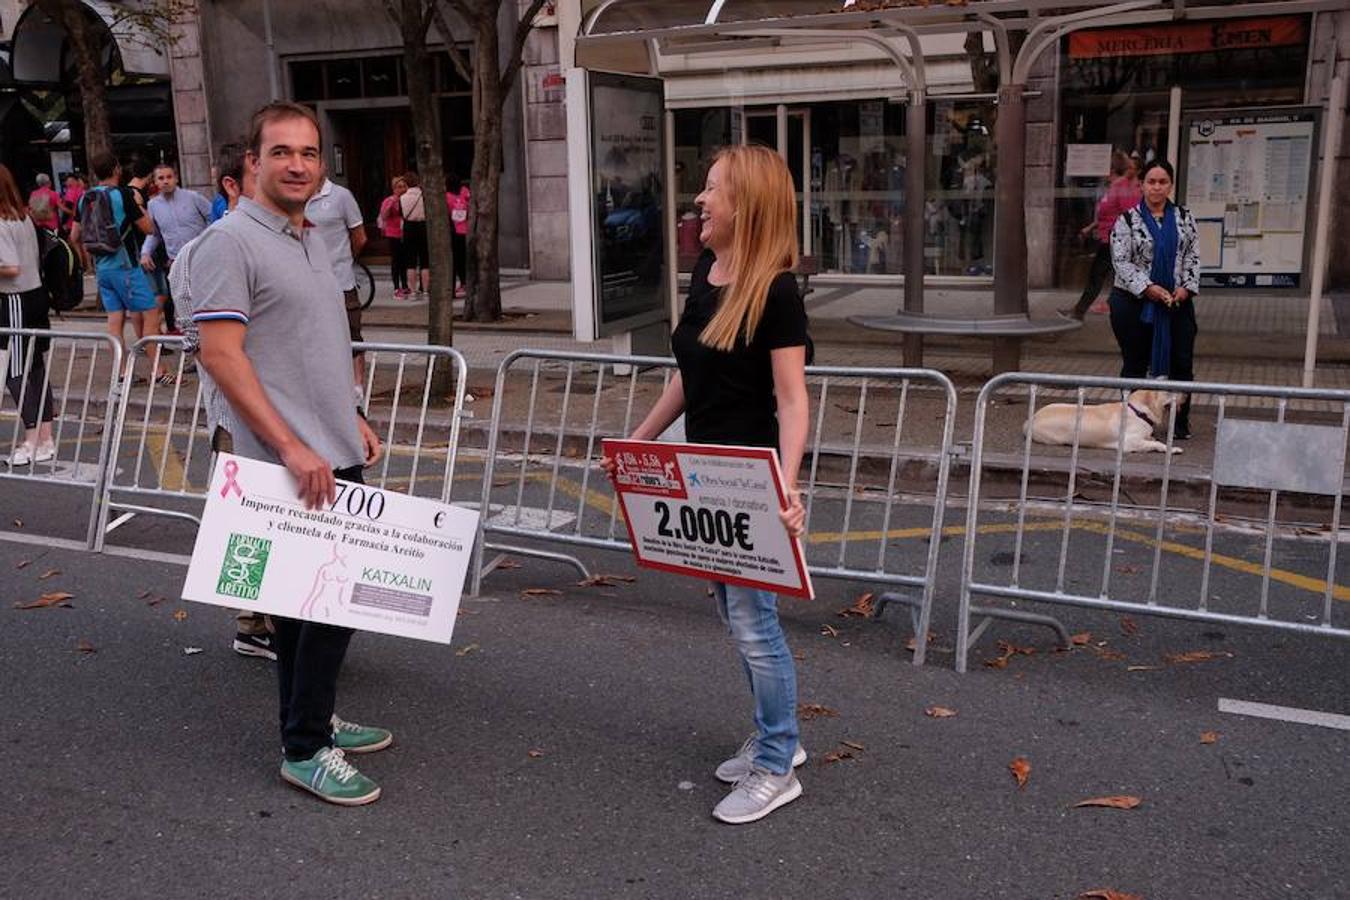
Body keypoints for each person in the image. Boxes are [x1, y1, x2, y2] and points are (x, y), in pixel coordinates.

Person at [600, 145, 811, 825]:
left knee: (755, 624)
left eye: (712, 189)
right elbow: (692, 375)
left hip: (750, 481)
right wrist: (642, 437)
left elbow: (792, 397)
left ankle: (779, 763)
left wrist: (788, 484)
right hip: (702, 477)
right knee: (734, 614)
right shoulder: (707, 272)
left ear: (745, 205)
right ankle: (775, 736)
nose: (700, 199)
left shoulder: (777, 290)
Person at [190, 101, 389, 805]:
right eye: (281, 152)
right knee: (321, 607)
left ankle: (314, 717)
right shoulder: (230, 242)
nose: (297, 164)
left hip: (331, 447)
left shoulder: (306, 235)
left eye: (309, 152)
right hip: (289, 464)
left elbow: (311, 346)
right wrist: (292, 446)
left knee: (315, 609)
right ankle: (304, 747)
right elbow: (221, 355)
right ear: (251, 162)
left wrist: (352, 414)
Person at [168, 140, 275, 660]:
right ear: (231, 185)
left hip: (285, 408)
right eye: (260, 174)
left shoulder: (285, 241)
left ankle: (273, 616)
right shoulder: (201, 253)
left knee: (276, 512)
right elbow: (204, 345)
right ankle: (253, 621)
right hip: (238, 410)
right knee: (249, 515)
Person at [1109, 158, 1201, 440]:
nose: (1157, 187)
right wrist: (1149, 288)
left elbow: (1192, 256)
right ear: (1142, 185)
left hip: (1176, 303)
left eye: (1163, 182)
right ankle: (1131, 420)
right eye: (1152, 181)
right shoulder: (1126, 220)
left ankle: (1179, 423)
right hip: (1134, 303)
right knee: (1135, 363)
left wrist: (1185, 287)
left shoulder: (1184, 218)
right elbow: (1121, 262)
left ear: (1171, 185)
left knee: (1181, 363)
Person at [70, 151, 171, 383]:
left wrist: (86, 261)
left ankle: (122, 372)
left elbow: (75, 234)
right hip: (126, 266)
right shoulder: (123, 195)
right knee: (152, 314)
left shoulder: (84, 198)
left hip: (103, 269)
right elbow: (148, 229)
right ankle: (158, 369)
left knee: (115, 321)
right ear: (117, 169)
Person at [0, 164, 56, 467]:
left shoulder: (0, 222)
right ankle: (46, 438)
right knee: (35, 369)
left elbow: (10, 268)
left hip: (15, 299)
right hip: (35, 295)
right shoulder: (23, 218)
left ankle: (32, 440)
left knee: (15, 371)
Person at [1062, 152, 1141, 320]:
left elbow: (1132, 216)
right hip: (1108, 239)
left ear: (1111, 169)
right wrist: (1090, 228)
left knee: (1097, 277)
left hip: (1115, 241)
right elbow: (1107, 214)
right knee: (1106, 278)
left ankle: (1078, 312)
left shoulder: (1122, 188)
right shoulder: (1113, 187)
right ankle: (1080, 311)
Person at [305, 175, 367, 385]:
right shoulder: (296, 196)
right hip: (308, 283)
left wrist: (345, 260)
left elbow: (359, 237)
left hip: (341, 282)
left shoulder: (341, 196)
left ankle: (357, 388)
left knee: (352, 335)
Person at [141, 163, 212, 339]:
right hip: (176, 262)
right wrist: (145, 252)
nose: (165, 182)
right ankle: (193, 350)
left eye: (169, 177)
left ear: (176, 178)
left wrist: (211, 243)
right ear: (155, 182)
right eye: (161, 178)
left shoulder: (193, 198)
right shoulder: (153, 205)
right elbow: (154, 233)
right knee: (184, 308)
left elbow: (213, 218)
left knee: (206, 304)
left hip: (201, 258)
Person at [376, 176, 409, 299]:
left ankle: (406, 285)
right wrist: (392, 203)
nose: (402, 189)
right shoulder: (388, 200)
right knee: (396, 260)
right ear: (394, 188)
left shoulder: (408, 199)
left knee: (405, 260)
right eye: (399, 187)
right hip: (393, 232)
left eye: (404, 186)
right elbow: (384, 216)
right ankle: (396, 287)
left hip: (405, 232)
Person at [398, 172, 428, 297]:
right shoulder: (424, 196)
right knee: (425, 260)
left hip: (409, 227)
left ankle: (413, 291)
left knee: (410, 261)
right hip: (422, 226)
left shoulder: (402, 198)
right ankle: (426, 290)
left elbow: (402, 214)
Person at [446, 175, 469, 298]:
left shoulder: (447, 197)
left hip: (453, 232)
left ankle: (452, 288)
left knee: (453, 262)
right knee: (463, 260)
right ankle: (465, 283)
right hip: (464, 230)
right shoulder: (465, 192)